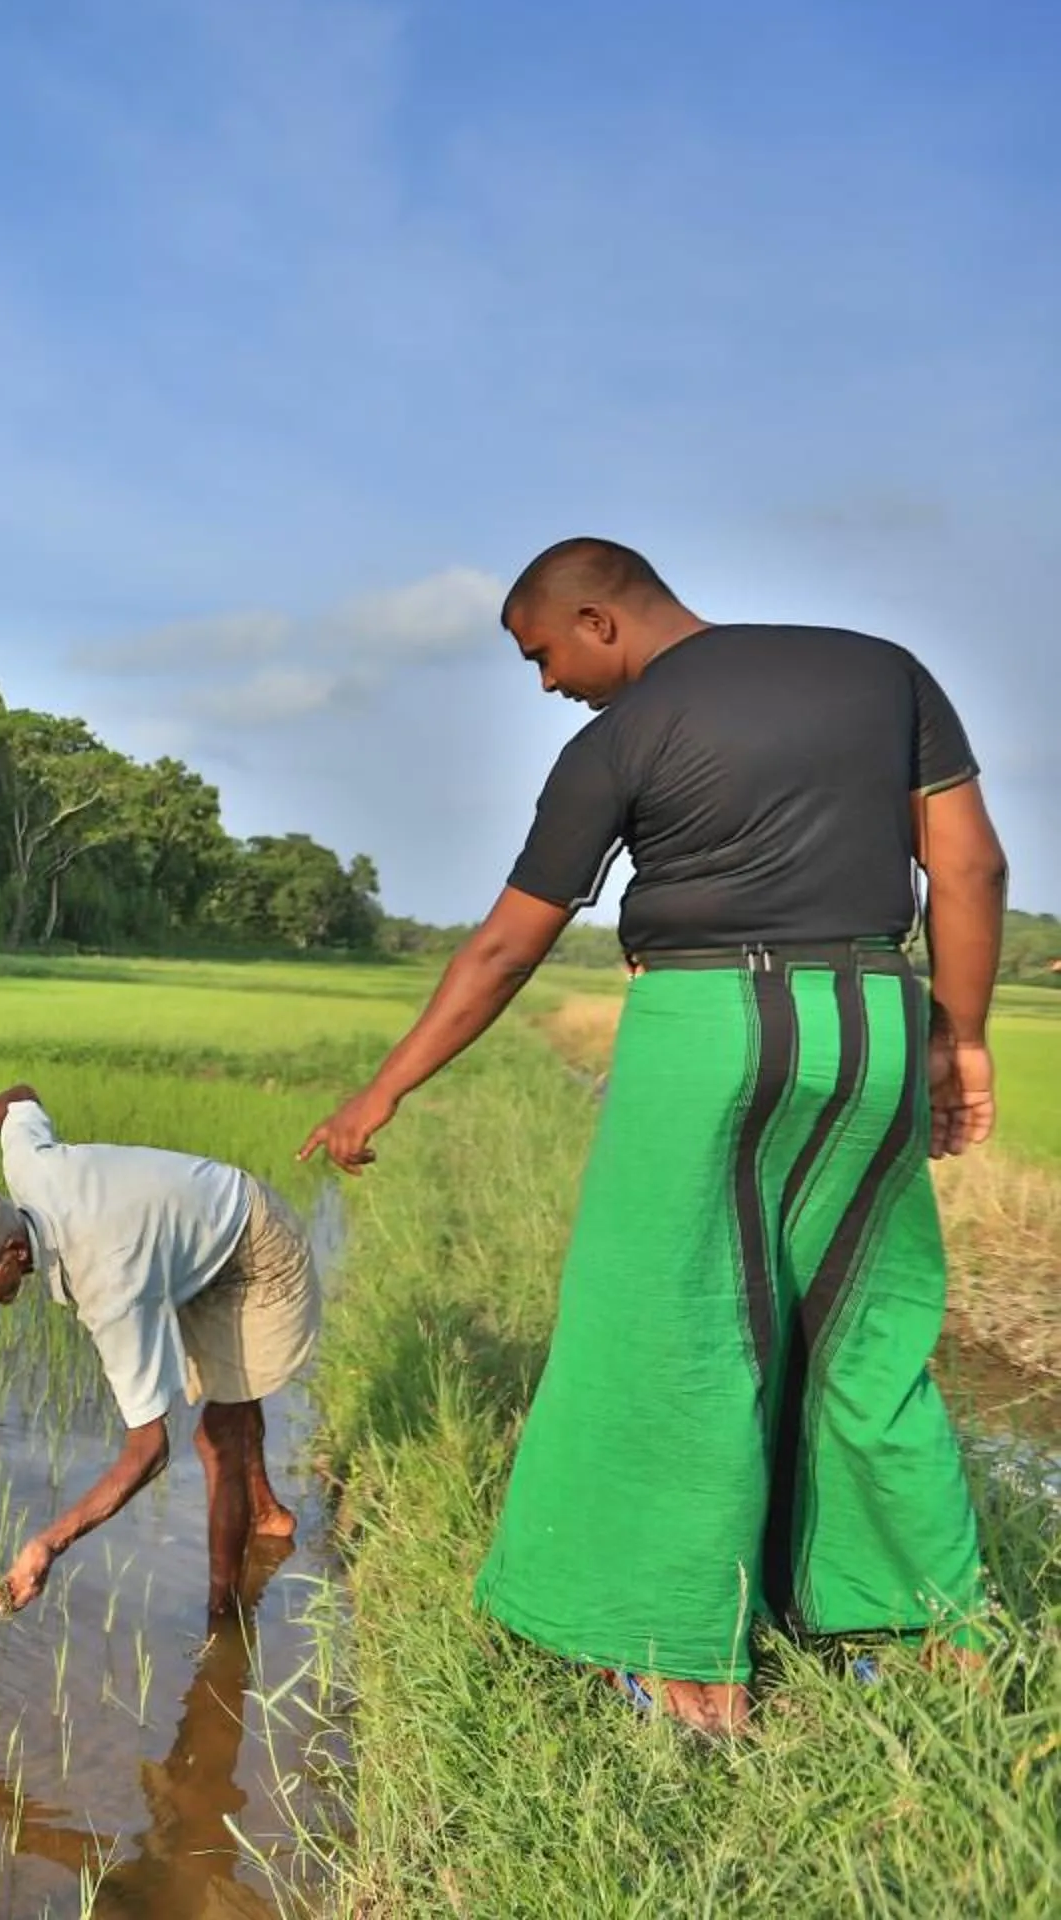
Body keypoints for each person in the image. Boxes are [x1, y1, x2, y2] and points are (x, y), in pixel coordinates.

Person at [300, 535, 1008, 1737]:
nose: (547, 682)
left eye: (543, 654)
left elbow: (504, 948)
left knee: (670, 1330)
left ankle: (684, 1661)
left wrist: (382, 1091)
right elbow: (971, 865)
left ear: (599, 619)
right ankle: (934, 1641)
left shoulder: (618, 739)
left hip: (706, 1023)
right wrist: (963, 1036)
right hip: (873, 1014)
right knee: (865, 1326)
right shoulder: (885, 671)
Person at [0, 1083, 319, 1619]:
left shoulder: (110, 1283)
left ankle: (225, 1621)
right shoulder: (28, 1171)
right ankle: (268, 1515)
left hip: (254, 1250)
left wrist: (50, 1543)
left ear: (14, 1252)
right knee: (228, 1400)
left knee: (217, 1437)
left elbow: (150, 1448)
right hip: (189, 1239)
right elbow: (19, 1100)